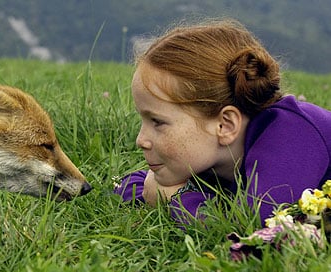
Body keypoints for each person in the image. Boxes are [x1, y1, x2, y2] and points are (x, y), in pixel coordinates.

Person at [114, 19, 331, 226]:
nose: (141, 140)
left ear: (225, 125)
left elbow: (256, 224)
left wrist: (175, 198)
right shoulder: (211, 156)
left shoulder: (290, 135)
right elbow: (134, 185)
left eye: (157, 122)